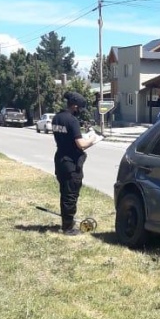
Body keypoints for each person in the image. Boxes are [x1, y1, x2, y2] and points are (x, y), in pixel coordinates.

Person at [52, 91, 100, 235]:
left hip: (60, 160)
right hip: (71, 163)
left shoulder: (56, 118)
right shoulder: (72, 121)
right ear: (74, 106)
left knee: (64, 193)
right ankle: (68, 228)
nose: (79, 111)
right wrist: (93, 139)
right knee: (71, 195)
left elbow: (67, 138)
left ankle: (67, 221)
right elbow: (81, 144)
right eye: (79, 108)